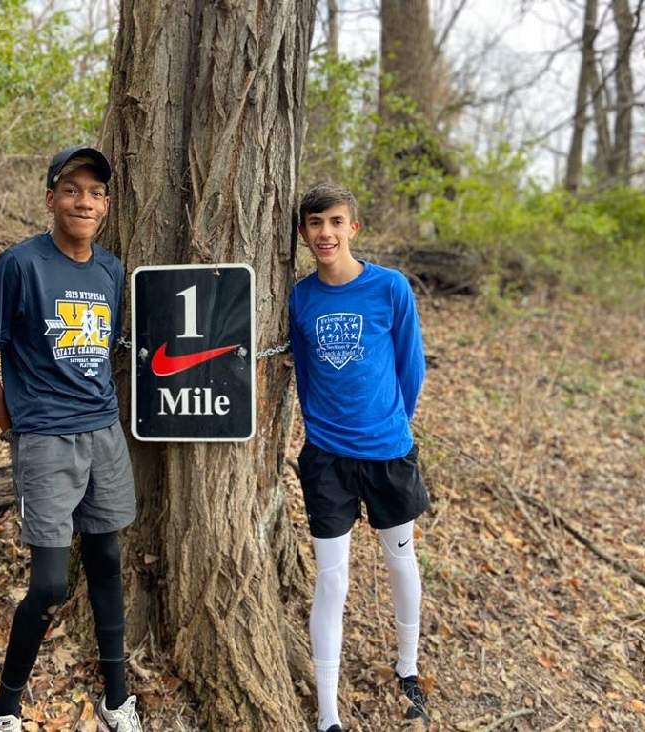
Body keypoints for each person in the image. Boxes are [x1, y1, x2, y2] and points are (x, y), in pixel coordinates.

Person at [0, 146, 143, 732]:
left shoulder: (111, 270)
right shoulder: (21, 265)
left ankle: (117, 699)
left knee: (107, 561)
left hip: (104, 435)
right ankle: (7, 705)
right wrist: (14, 426)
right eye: (72, 190)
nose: (83, 201)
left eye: (95, 193)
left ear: (107, 205)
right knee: (46, 585)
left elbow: (101, 353)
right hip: (45, 440)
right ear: (51, 198)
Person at [288, 183, 430, 730]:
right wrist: (324, 427)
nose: (325, 233)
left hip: (388, 451)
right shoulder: (301, 298)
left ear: (354, 228)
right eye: (315, 224)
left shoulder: (390, 288)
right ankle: (328, 713)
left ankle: (408, 666)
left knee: (400, 559)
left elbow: (410, 367)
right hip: (327, 459)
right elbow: (303, 370)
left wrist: (392, 424)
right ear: (303, 233)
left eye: (335, 222)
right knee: (332, 580)